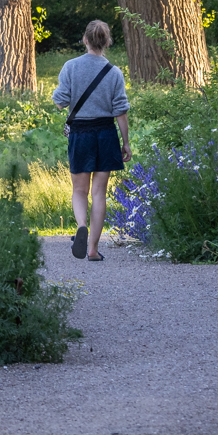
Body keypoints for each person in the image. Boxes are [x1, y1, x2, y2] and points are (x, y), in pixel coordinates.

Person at [50, 19, 130, 262]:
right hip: (106, 134)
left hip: (81, 133)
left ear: (85, 40)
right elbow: (121, 111)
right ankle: (93, 248)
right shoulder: (114, 73)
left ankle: (81, 225)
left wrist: (65, 94)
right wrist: (125, 142)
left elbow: (60, 101)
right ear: (106, 42)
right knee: (99, 193)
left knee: (79, 190)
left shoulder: (70, 67)